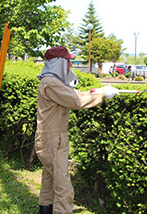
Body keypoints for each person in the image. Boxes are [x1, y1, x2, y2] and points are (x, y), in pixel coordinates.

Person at [35, 46, 119, 214]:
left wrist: (95, 92)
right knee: (63, 187)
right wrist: (102, 94)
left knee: (49, 180)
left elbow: (75, 94)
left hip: (50, 139)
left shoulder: (51, 82)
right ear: (58, 63)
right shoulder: (51, 83)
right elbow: (76, 102)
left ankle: (45, 210)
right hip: (53, 141)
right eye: (68, 61)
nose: (70, 65)